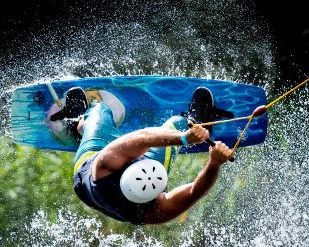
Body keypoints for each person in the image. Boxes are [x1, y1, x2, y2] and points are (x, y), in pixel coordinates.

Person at [51, 86, 252, 225]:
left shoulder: (105, 165)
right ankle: (197, 124)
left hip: (90, 173)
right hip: (124, 181)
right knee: (177, 124)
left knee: (99, 110)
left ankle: (78, 125)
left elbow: (144, 137)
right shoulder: (156, 206)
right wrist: (214, 163)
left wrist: (186, 140)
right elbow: (194, 192)